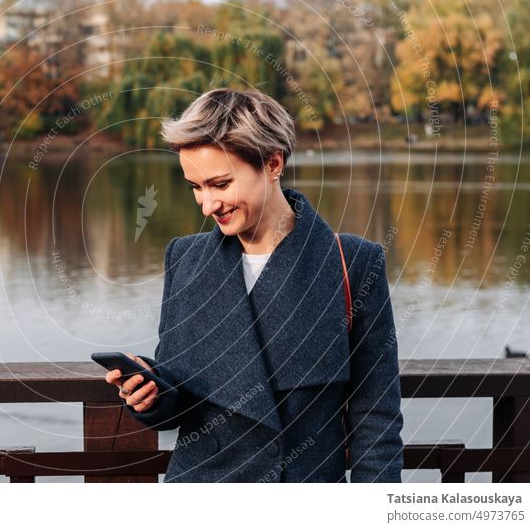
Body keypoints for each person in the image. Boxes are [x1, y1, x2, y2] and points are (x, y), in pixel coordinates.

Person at [105, 87, 404, 483]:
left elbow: (375, 418)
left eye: (221, 183)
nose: (208, 205)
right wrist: (150, 395)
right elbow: (180, 403)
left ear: (273, 163)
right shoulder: (186, 259)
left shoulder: (353, 264)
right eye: (195, 187)